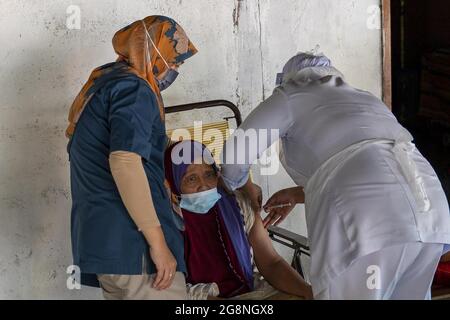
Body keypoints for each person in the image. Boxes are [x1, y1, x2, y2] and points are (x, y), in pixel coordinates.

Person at [219, 52, 450, 299]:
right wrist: (299, 194)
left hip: (370, 224)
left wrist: (245, 186)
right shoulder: (365, 98)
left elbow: (234, 157)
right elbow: (377, 167)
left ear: (289, 79)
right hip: (428, 212)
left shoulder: (292, 94)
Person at [66, 15, 197, 299]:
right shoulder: (135, 89)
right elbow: (125, 162)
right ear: (154, 53)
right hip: (135, 248)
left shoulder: (102, 84)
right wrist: (158, 244)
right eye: (173, 61)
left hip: (104, 243)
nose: (174, 69)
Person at [164, 140, 313, 300]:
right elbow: (172, 289)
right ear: (172, 183)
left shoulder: (238, 204)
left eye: (209, 174)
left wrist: (309, 292)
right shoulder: (165, 224)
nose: (204, 186)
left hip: (250, 292)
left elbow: (271, 263)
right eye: (191, 179)